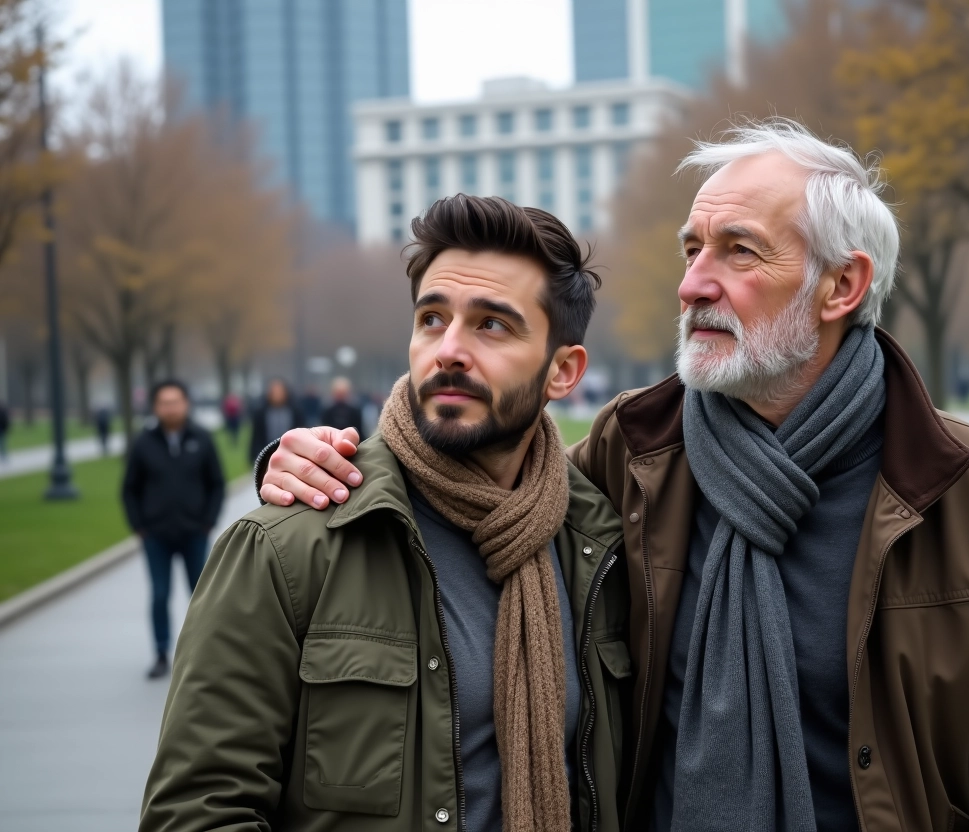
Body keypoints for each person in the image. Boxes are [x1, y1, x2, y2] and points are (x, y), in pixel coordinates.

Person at [261, 120, 969, 831]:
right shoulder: (627, 454)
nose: (692, 284)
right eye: (691, 248)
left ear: (841, 286)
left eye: (738, 252)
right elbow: (472, 497)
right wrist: (314, 459)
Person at [140, 196, 632, 832]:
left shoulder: (600, 545)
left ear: (562, 371)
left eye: (492, 325)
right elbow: (197, 813)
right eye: (432, 318)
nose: (448, 350)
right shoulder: (286, 547)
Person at [120, 380, 225, 680]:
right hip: (156, 535)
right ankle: (161, 653)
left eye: (175, 401)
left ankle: (205, 655)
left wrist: (208, 521)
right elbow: (129, 489)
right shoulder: (143, 443)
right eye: (164, 402)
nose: (170, 408)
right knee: (159, 594)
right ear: (155, 407)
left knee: (201, 595)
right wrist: (139, 526)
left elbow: (216, 483)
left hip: (195, 532)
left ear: (186, 403)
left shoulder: (202, 439)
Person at [247, 378, 304, 465]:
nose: (277, 395)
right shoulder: (261, 413)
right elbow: (256, 436)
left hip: (291, 454)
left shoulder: (294, 411)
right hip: (267, 453)